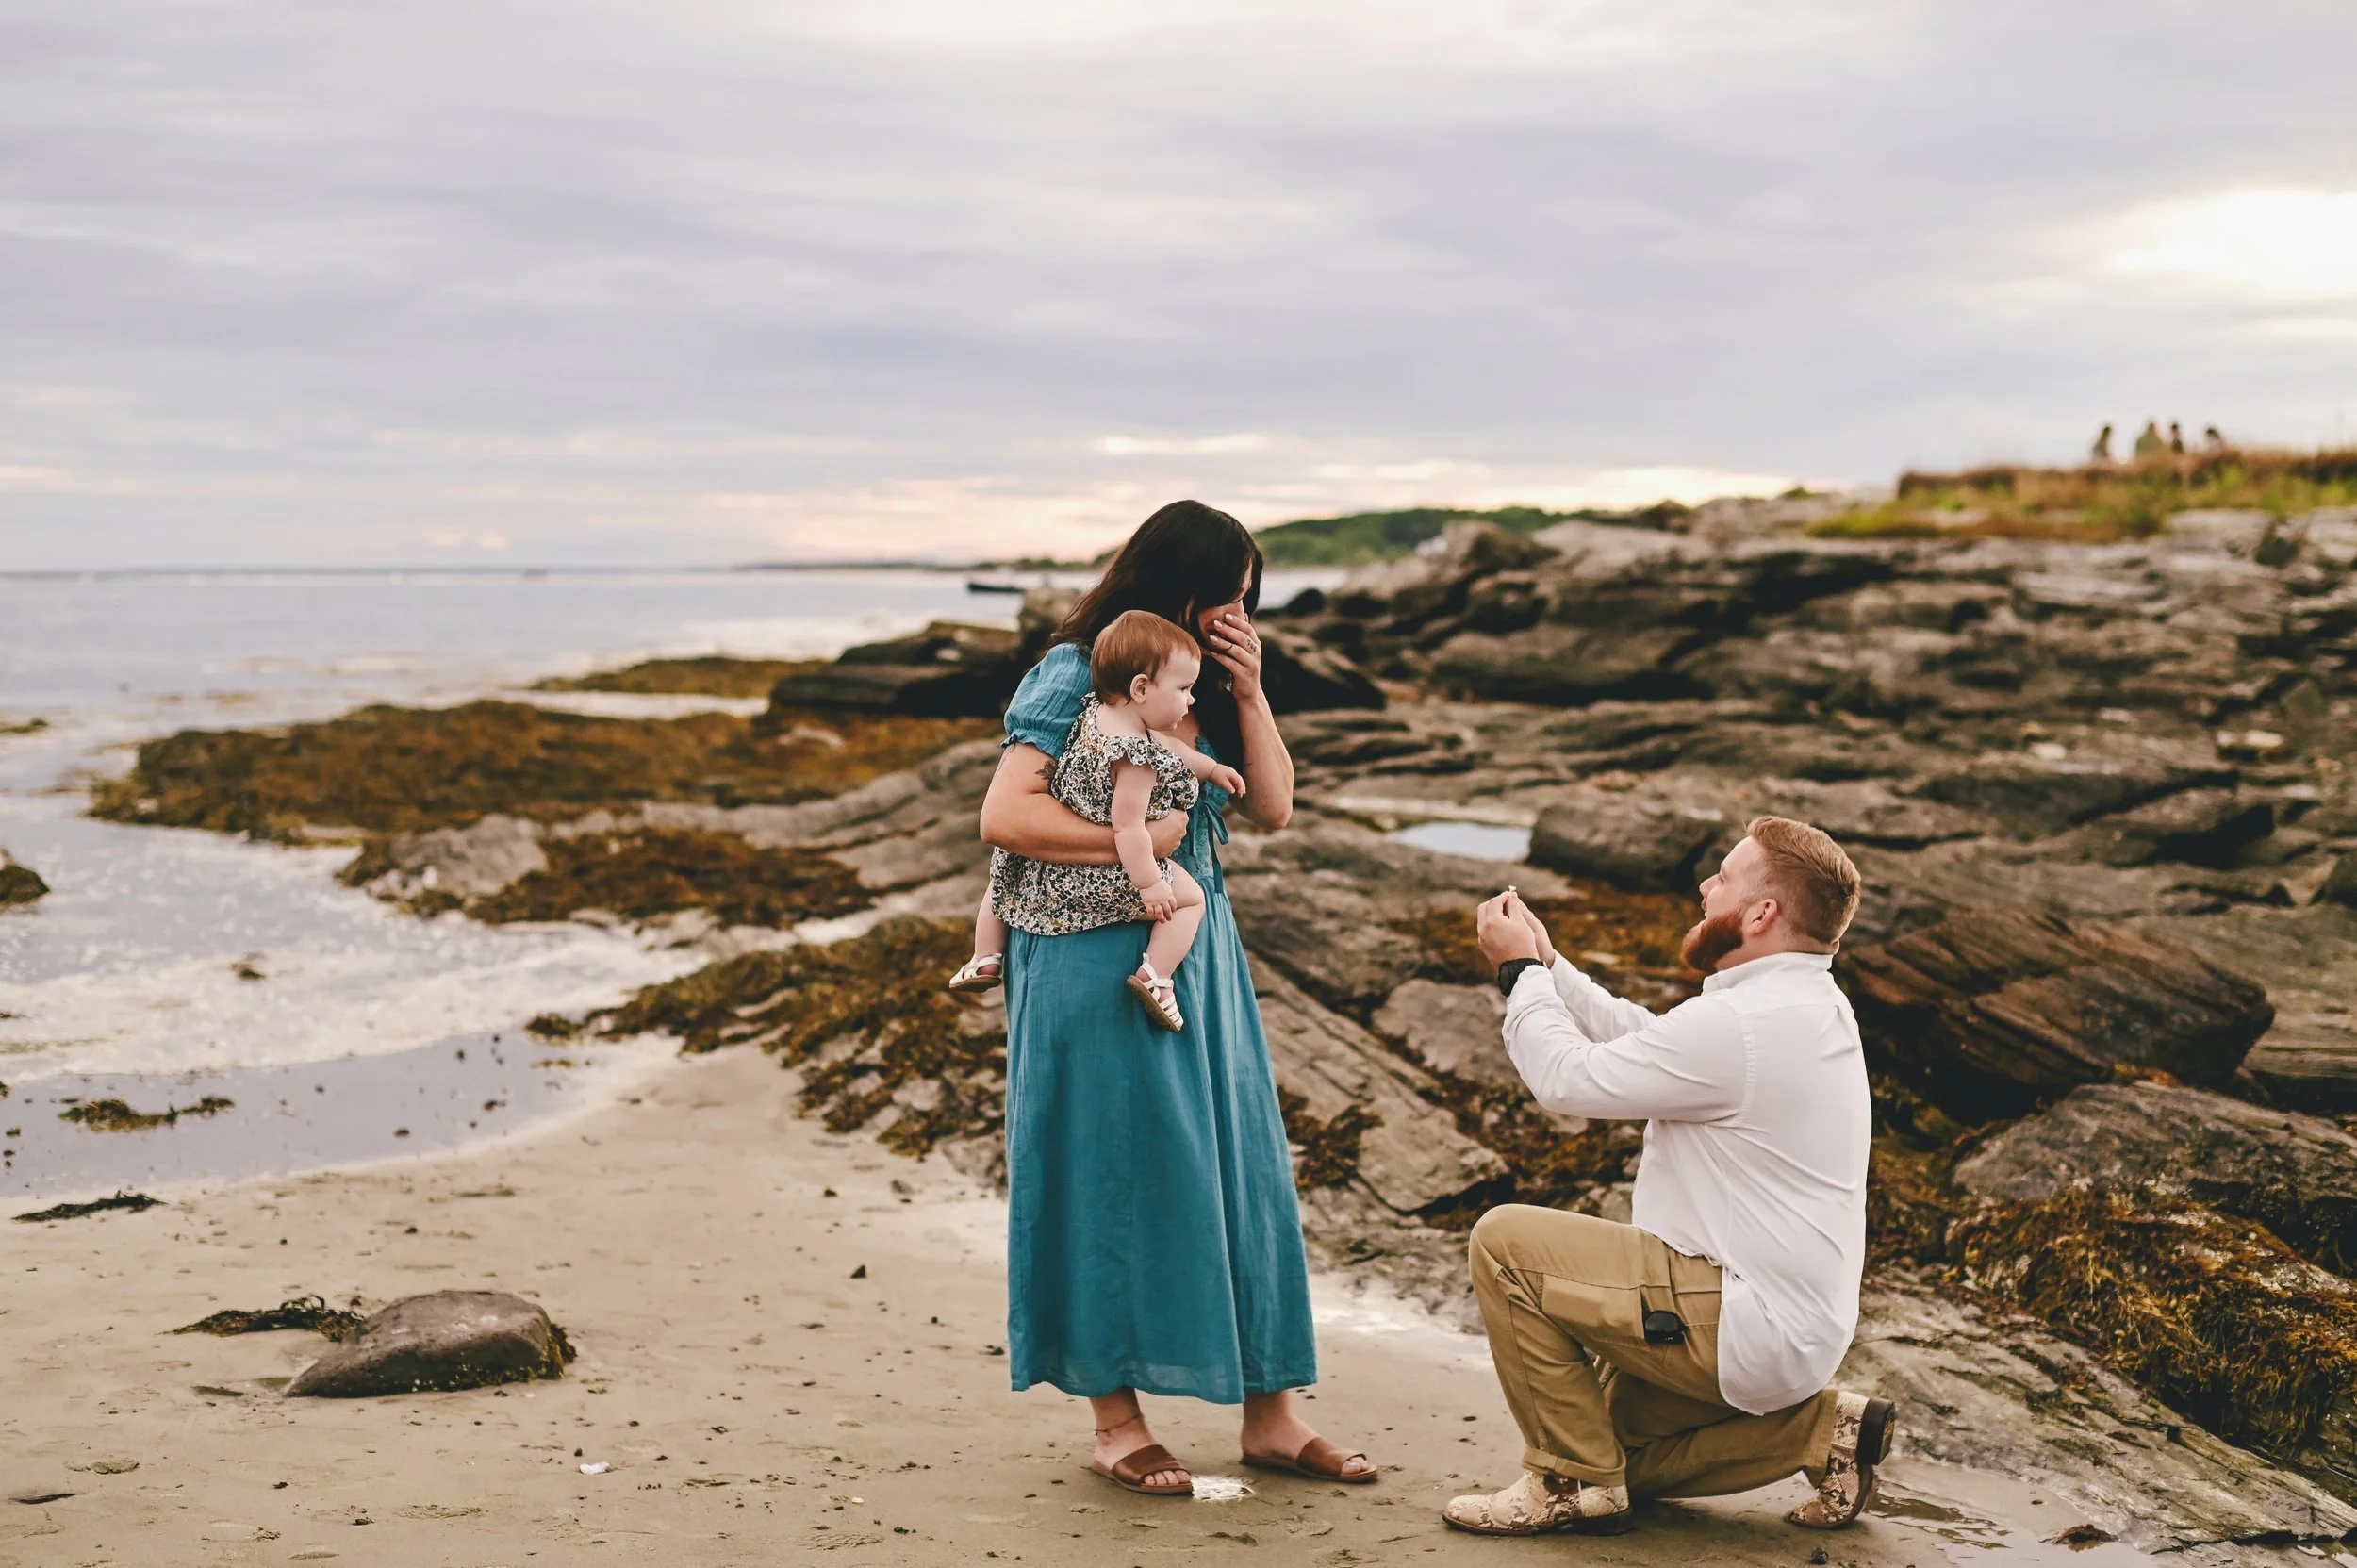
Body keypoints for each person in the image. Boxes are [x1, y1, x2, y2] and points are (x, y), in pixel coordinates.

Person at [978, 500, 1377, 1497]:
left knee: (1240, 1164)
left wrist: (1252, 688)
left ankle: (1273, 1415)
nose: (1239, 614)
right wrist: (1145, 844)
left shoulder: (1210, 683)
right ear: (1182, 588)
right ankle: (1115, 1420)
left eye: (1251, 603)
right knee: (1104, 1170)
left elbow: (1275, 806)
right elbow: (1006, 813)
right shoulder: (1078, 671)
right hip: (1086, 957)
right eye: (1230, 598)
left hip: (1198, 947)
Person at [1446, 817, 1887, 1539]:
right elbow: (1652, 1042)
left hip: (1740, 1313)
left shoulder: (1746, 1022)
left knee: (1504, 1244)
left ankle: (1567, 1481)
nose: (1706, 885)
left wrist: (1517, 974)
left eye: (1725, 876)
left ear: (1761, 913)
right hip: (1790, 1328)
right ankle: (1821, 1432)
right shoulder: (1800, 1002)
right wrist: (1552, 970)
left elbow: (1566, 1081)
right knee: (1621, 1453)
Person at [951, 609, 1246, 1032]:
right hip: (1110, 869)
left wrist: (1211, 769)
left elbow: (1163, 742)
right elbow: (1128, 829)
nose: (1191, 699)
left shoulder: (1097, 713)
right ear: (1141, 688)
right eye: (1184, 689)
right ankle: (1156, 977)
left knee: (1003, 874)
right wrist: (1150, 883)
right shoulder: (1138, 764)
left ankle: (984, 957)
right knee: (1192, 899)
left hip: (1052, 861)